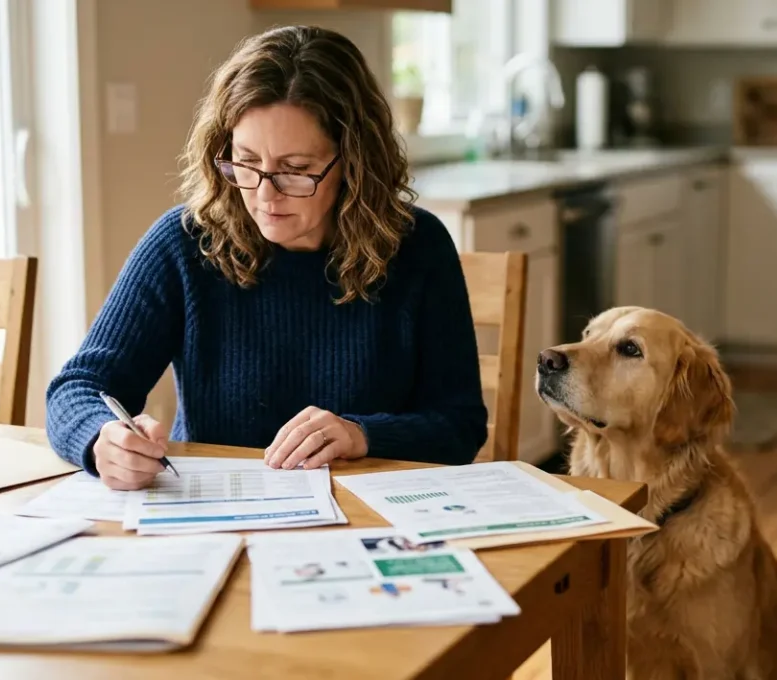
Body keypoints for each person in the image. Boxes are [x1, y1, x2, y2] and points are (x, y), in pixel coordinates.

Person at [44, 25, 488, 490]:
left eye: (295, 170)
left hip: (372, 513)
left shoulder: (418, 247)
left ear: (354, 163)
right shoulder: (185, 243)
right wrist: (102, 440)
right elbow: (77, 388)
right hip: (216, 511)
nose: (264, 194)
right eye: (246, 162)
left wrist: (362, 434)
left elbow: (459, 425)